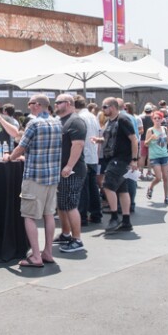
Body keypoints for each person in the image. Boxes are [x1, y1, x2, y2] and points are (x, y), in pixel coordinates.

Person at [9, 94, 62, 267]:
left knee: (29, 216)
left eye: (31, 104)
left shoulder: (34, 123)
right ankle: (47, 252)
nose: (29, 106)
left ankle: (36, 256)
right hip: (52, 177)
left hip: (35, 176)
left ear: (38, 105)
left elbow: (21, 146)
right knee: (49, 215)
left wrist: (10, 157)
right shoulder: (57, 122)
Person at [92, 97, 138, 231]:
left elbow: (134, 140)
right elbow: (111, 139)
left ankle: (114, 217)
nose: (102, 109)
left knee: (107, 186)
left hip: (121, 159)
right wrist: (99, 140)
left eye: (104, 107)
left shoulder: (123, 119)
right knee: (122, 190)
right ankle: (126, 221)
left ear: (112, 107)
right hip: (113, 159)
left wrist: (134, 160)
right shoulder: (110, 121)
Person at [51, 93, 87, 253]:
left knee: (71, 205)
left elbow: (78, 145)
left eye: (59, 102)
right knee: (62, 204)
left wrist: (69, 166)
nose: (56, 104)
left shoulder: (75, 120)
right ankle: (66, 234)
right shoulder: (61, 121)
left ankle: (77, 239)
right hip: (61, 170)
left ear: (68, 103)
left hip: (72, 171)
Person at [74, 96, 103, 226]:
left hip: (84, 156)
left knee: (83, 188)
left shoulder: (80, 118)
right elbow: (99, 135)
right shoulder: (93, 116)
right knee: (92, 187)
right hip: (92, 156)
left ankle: (82, 216)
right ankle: (96, 214)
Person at [145, 111, 168, 204]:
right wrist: (151, 138)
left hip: (164, 155)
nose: (157, 120)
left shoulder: (164, 129)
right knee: (158, 177)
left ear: (162, 119)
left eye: (159, 118)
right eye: (155, 118)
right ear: (152, 119)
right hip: (155, 156)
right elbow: (145, 144)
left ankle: (166, 197)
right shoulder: (150, 130)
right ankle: (150, 187)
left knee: (166, 177)